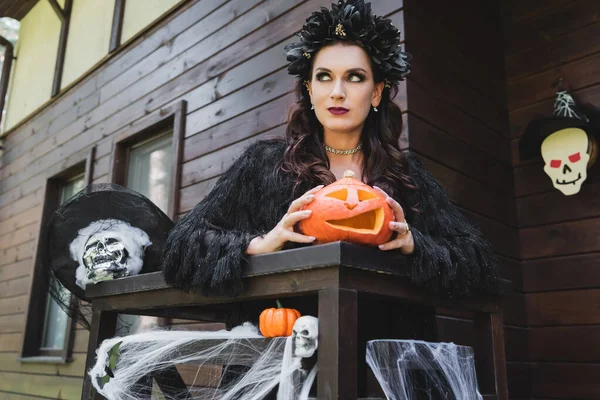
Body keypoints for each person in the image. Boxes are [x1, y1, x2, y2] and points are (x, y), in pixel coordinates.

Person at [161, 0, 498, 299]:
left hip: (380, 352)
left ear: (377, 92)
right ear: (309, 89)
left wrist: (415, 244)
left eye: (354, 77)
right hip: (284, 346)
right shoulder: (262, 163)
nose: (337, 92)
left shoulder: (407, 177)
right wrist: (261, 243)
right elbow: (180, 246)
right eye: (324, 77)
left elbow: (479, 262)